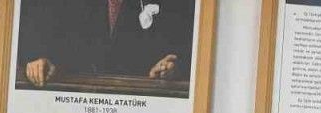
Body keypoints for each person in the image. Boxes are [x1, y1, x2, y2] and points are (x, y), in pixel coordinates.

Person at [18, 0, 196, 88]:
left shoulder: (173, 5)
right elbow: (33, 39)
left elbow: (186, 50)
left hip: (138, 105)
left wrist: (170, 67)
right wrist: (39, 59)